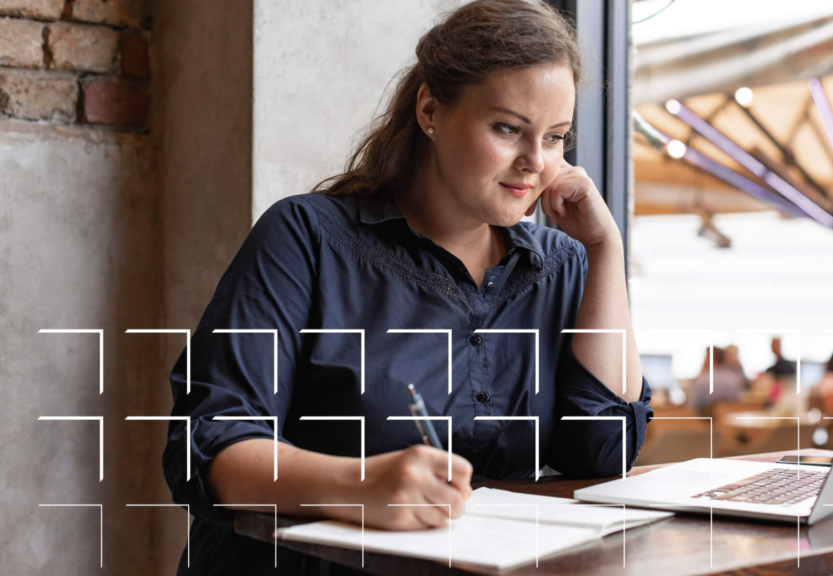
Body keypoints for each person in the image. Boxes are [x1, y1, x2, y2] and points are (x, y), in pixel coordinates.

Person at [161, 2, 653, 573]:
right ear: (430, 110)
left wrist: (605, 250)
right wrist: (359, 484)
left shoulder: (563, 265)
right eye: (508, 129)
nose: (534, 164)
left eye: (555, 138)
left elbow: (604, 451)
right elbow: (207, 445)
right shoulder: (306, 238)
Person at [690, 347, 744, 414]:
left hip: (708, 421)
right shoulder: (735, 378)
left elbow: (693, 407)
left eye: (706, 357)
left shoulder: (703, 380)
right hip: (729, 418)